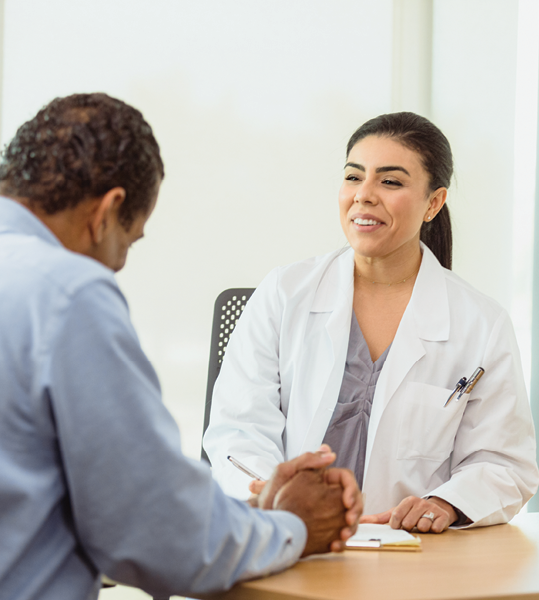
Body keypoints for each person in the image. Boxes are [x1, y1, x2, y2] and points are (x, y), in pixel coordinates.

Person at [0, 93, 363, 600]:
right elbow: (161, 535)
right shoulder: (65, 291)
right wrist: (291, 525)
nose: (118, 266)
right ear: (108, 210)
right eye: (129, 242)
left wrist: (252, 516)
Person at [204, 111, 539, 533]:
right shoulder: (284, 293)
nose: (364, 195)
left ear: (433, 202)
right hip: (286, 538)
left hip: (410, 554)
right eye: (353, 177)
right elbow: (239, 428)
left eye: (390, 181)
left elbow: (504, 462)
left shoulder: (481, 323)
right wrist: (273, 492)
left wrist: (446, 503)